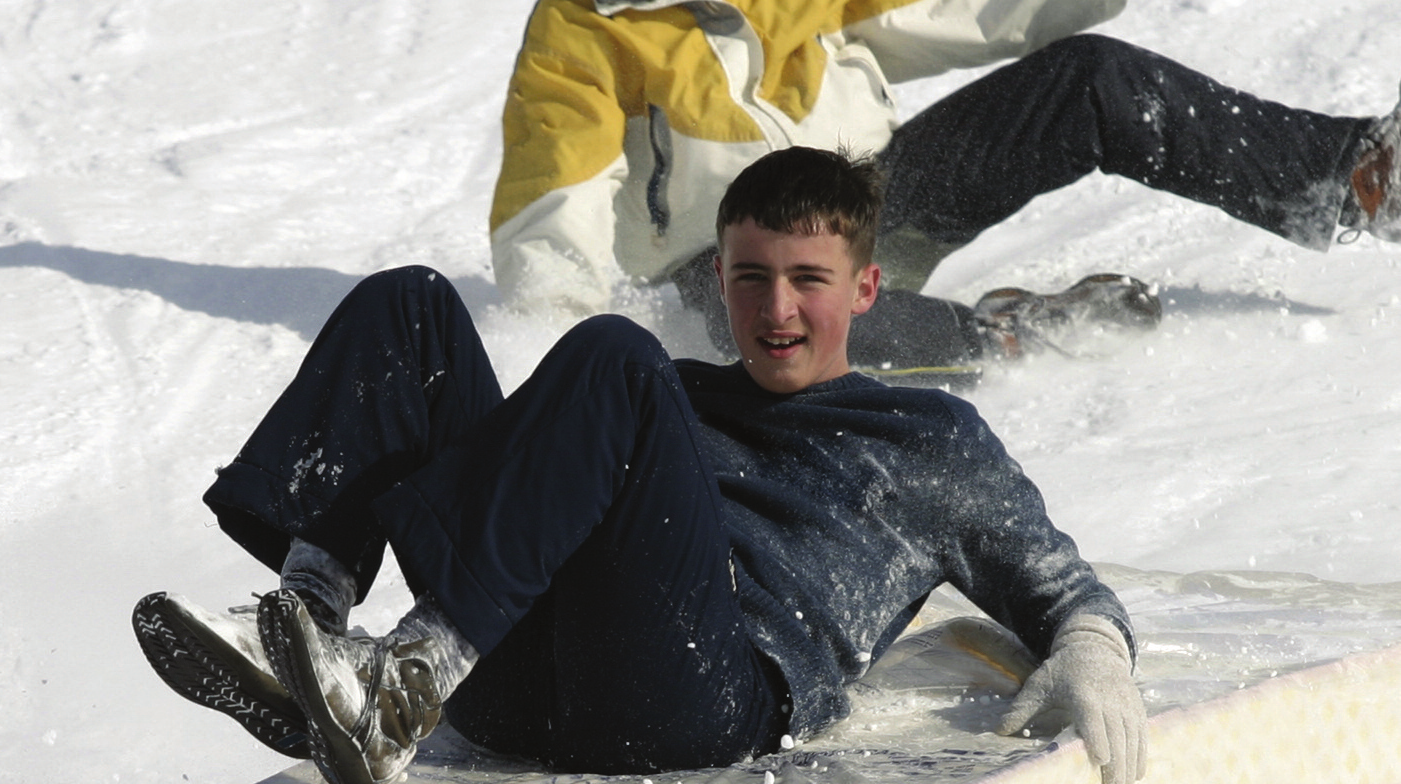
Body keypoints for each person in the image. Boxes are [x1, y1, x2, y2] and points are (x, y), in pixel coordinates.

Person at [132, 148, 1147, 784]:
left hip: (704, 701)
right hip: (523, 687)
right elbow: (525, 484)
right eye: (750, 276)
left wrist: (1094, 648)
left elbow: (1056, 580)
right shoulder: (678, 395)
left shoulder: (927, 435)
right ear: (720, 277)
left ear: (869, 287)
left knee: (615, 357)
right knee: (413, 309)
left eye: (808, 280)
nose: (776, 308)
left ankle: (411, 673)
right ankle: (311, 621)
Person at [488, 0, 1401, 373]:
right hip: (725, 273)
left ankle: (1356, 177)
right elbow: (550, 193)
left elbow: (938, 9)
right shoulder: (583, 30)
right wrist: (562, 359)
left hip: (869, 207)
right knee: (797, 311)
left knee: (1087, 79)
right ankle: (995, 335)